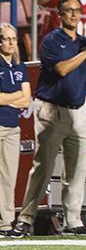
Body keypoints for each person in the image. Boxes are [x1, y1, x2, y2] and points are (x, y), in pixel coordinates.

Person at [12, 0, 86, 238]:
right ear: (60, 14)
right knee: (43, 167)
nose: (74, 15)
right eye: (69, 11)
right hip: (51, 111)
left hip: (78, 112)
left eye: (77, 11)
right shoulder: (52, 40)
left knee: (77, 170)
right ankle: (25, 218)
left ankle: (72, 220)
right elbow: (62, 70)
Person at [0, 24, 30, 238]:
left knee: (9, 178)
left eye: (13, 39)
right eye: (6, 39)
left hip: (12, 127)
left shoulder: (21, 67)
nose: (11, 42)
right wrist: (15, 97)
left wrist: (6, 99)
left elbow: (26, 99)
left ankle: (6, 223)